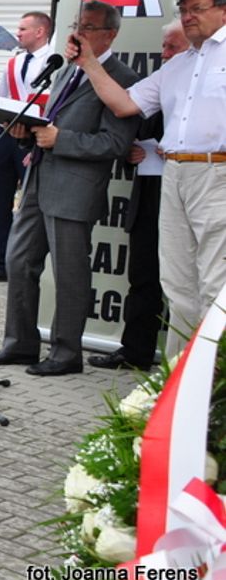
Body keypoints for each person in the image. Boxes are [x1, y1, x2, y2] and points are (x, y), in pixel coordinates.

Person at [0, 0, 139, 376]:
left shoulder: (122, 78)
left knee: (69, 272)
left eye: (89, 27)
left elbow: (113, 144)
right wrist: (26, 135)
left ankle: (66, 354)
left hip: (76, 189)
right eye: (77, 24)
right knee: (18, 260)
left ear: (110, 34)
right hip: (39, 179)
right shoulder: (66, 71)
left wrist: (61, 139)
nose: (78, 33)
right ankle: (20, 345)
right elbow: (47, 128)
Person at [68, 0, 226, 357]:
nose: (187, 17)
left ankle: (211, 385)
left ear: (223, 9)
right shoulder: (177, 66)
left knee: (215, 284)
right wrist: (89, 62)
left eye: (196, 9)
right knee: (177, 284)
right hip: (174, 175)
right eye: (183, 11)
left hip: (217, 173)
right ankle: (177, 382)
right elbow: (124, 104)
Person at [89, 21, 188, 372]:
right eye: (163, 47)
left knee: (186, 285)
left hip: (190, 197)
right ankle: (135, 351)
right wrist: (134, 151)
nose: (164, 54)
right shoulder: (156, 84)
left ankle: (186, 365)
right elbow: (131, 122)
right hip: (148, 197)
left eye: (172, 47)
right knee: (142, 278)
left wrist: (170, 152)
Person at [0, 12, 54, 282]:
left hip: (36, 138)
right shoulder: (14, 62)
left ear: (40, 31)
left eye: (23, 28)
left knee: (31, 204)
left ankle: (29, 264)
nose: (18, 33)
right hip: (7, 135)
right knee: (1, 201)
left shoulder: (55, 61)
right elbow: (1, 100)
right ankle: (2, 262)